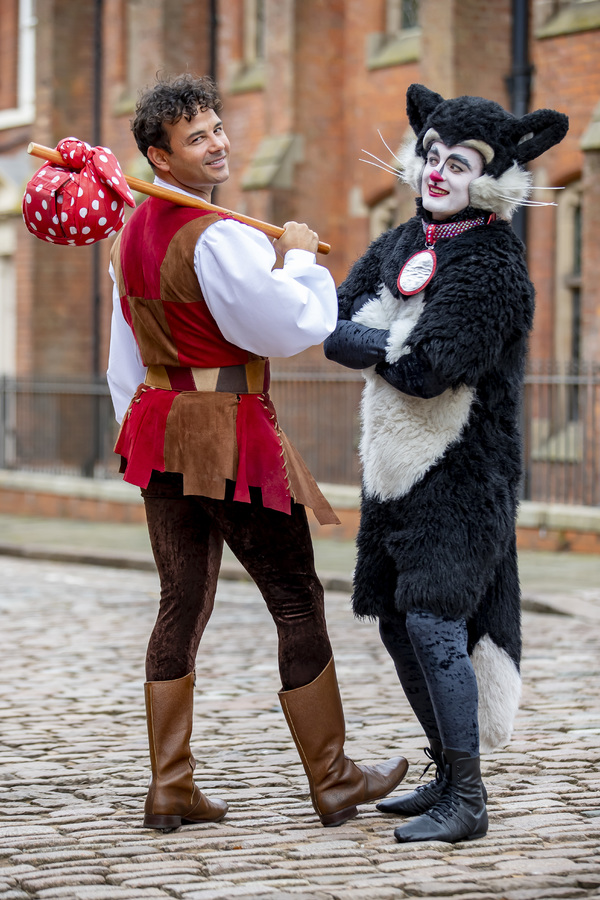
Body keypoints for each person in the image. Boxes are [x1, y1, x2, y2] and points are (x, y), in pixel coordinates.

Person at [106, 73, 408, 833]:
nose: (217, 144)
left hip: (158, 425)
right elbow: (284, 330)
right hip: (225, 429)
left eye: (216, 128)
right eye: (195, 137)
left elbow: (125, 362)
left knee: (183, 600)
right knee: (296, 597)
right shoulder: (222, 236)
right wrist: (302, 258)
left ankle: (170, 786)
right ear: (158, 156)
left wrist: (139, 433)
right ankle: (334, 779)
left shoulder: (131, 234)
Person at [324, 84, 568, 844]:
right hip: (392, 469)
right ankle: (441, 769)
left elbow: (433, 367)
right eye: (432, 155)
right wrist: (379, 346)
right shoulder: (405, 241)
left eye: (457, 163)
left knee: (435, 621)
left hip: (462, 475)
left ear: (490, 177)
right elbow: (335, 321)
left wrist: (379, 344)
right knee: (396, 619)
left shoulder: (494, 264)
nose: (437, 172)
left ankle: (469, 798)